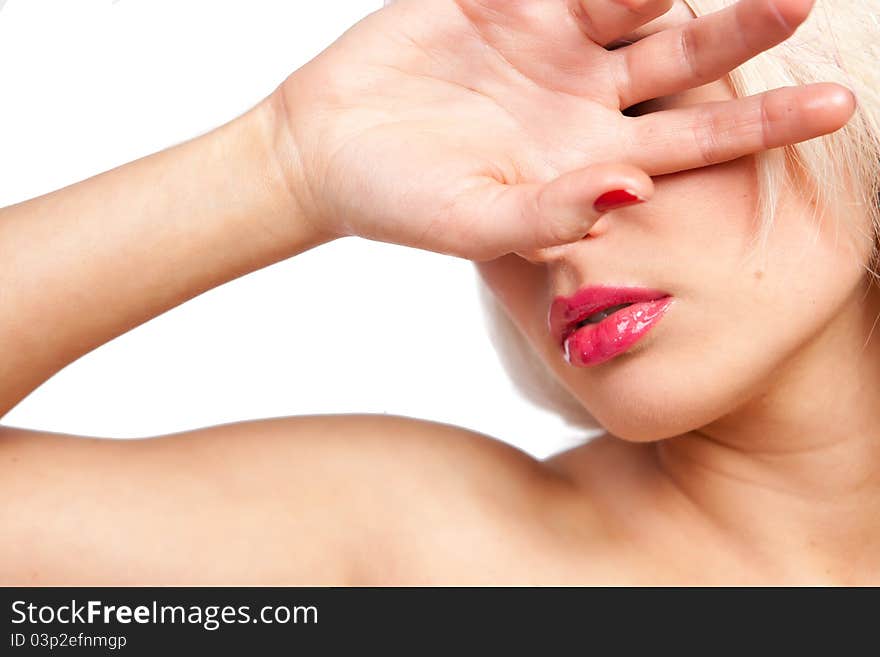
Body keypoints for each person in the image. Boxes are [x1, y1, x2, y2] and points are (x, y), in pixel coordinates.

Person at [1, 0, 876, 585]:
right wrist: (285, 162)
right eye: (501, 173)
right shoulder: (433, 552)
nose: (544, 226)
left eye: (635, 118)